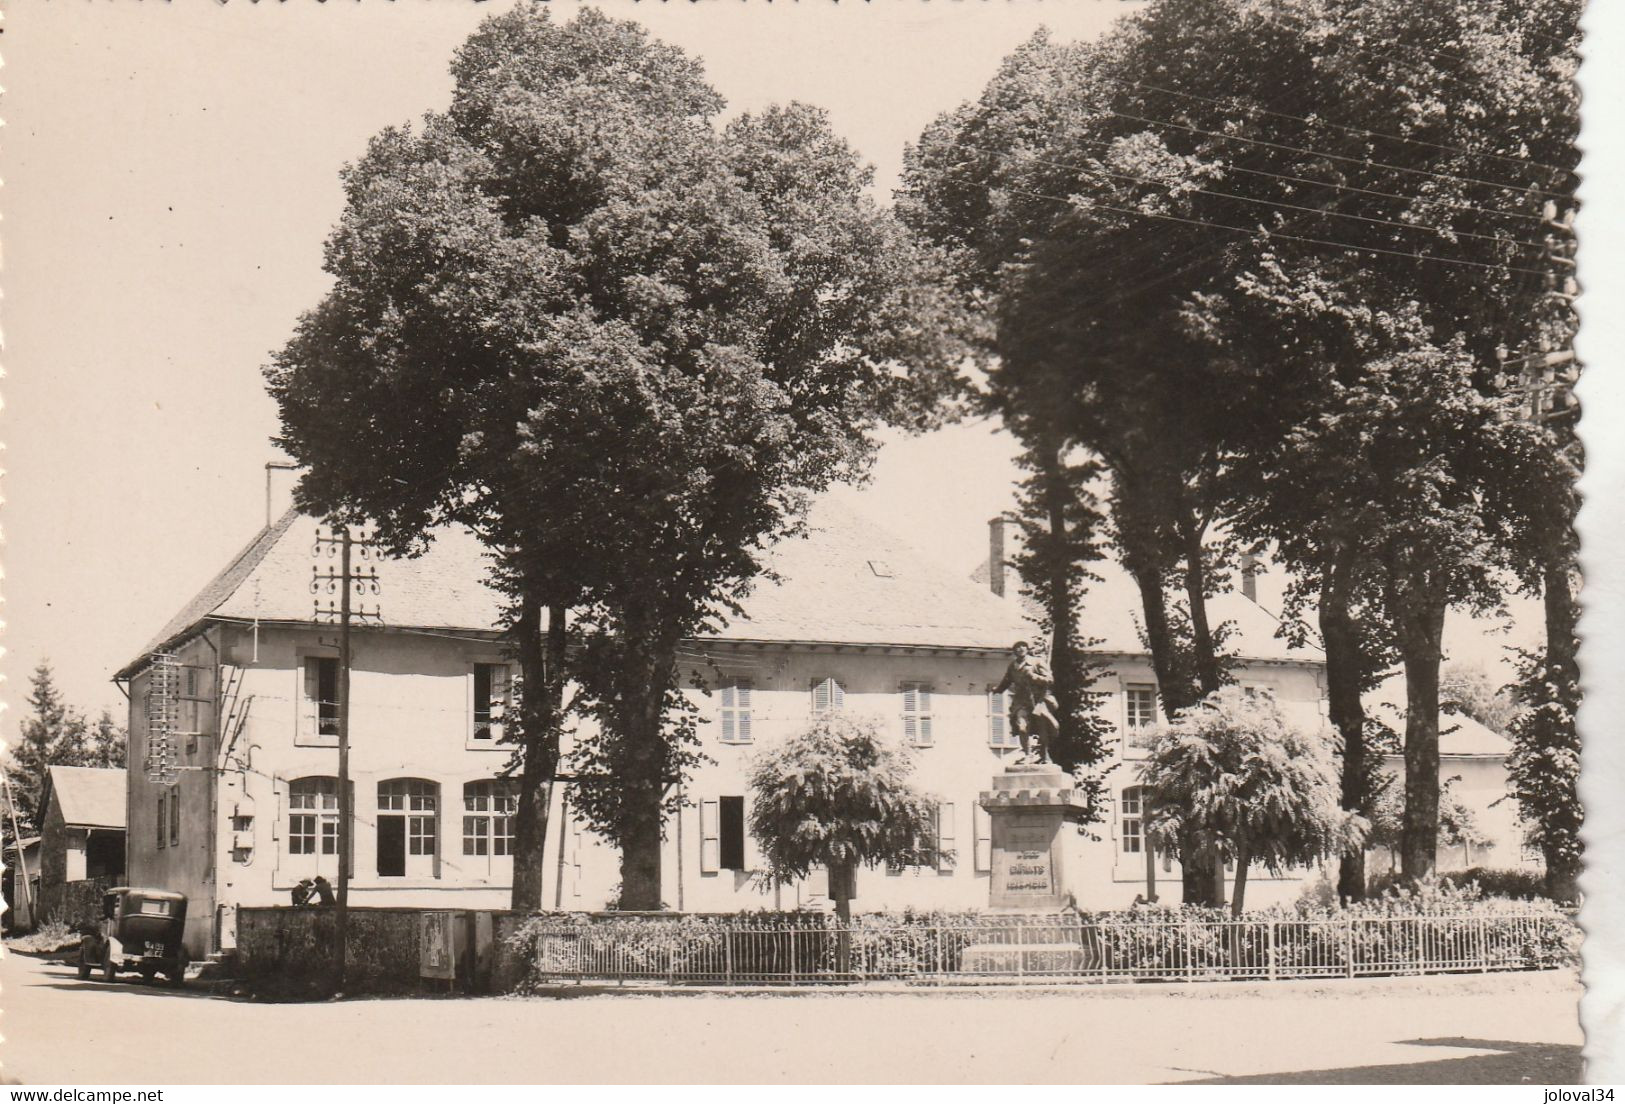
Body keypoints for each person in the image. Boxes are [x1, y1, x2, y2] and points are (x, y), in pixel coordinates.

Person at [993, 640, 1060, 765]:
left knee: (1042, 728)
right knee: (1022, 727)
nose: (1020, 649)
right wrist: (998, 690)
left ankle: (1045, 754)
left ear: (1027, 649)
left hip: (1037, 699)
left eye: (1023, 646)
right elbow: (1007, 681)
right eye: (1017, 647)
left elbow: (1050, 680)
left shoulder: (1037, 662)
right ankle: (1027, 754)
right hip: (1021, 700)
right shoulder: (1013, 666)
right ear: (1014, 651)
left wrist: (1034, 677)